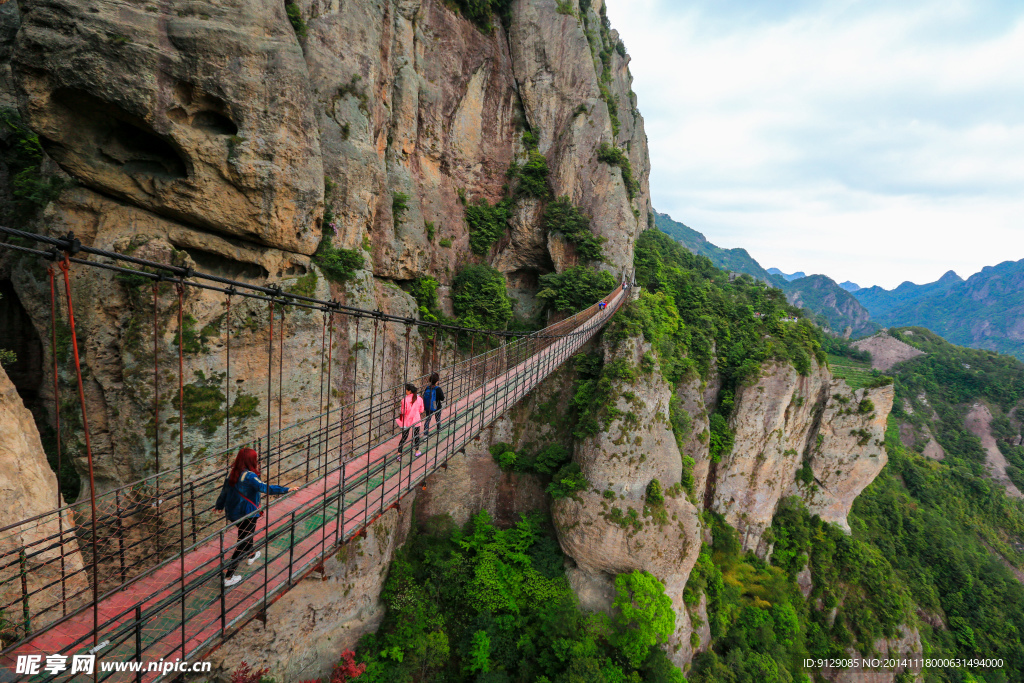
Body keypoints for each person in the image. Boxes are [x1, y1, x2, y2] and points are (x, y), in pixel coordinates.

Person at [217, 447, 293, 587]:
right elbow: (265, 488)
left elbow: (224, 491)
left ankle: (251, 555)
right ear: (252, 460)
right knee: (243, 541)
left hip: (234, 513)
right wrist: (286, 489)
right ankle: (228, 577)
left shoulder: (233, 472)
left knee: (246, 533)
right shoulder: (250, 476)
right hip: (248, 513)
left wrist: (219, 506)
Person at [396, 383, 424, 457]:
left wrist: (401, 419)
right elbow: (422, 410)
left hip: (407, 420)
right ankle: (417, 451)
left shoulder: (404, 400)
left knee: (404, 437)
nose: (405, 391)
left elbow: (403, 412)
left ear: (409, 391)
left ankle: (399, 453)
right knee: (416, 436)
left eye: (406, 390)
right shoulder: (420, 399)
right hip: (416, 420)